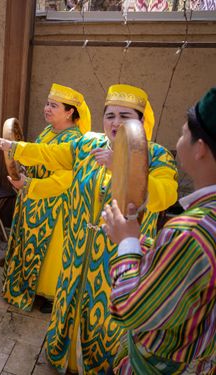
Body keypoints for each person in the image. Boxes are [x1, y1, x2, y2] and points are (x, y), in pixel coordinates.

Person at [0, 84, 178, 373]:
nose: (116, 123)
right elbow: (48, 154)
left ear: (141, 122)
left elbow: (167, 193)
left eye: (125, 116)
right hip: (76, 250)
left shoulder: (156, 156)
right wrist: (4, 144)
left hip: (117, 260)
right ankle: (65, 359)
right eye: (110, 115)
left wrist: (122, 166)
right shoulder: (88, 145)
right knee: (69, 302)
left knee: (107, 319)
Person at [103, 87, 216, 374]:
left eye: (182, 134)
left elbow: (131, 310)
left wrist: (127, 241)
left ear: (200, 148)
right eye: (110, 115)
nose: (115, 123)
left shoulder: (189, 232)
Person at [2, 84, 90, 313]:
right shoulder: (49, 131)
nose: (47, 109)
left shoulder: (74, 140)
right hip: (34, 199)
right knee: (29, 245)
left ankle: (50, 295)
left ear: (70, 112)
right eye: (47, 104)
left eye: (54, 105)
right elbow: (35, 155)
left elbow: (65, 179)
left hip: (55, 205)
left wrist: (30, 184)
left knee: (51, 252)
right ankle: (30, 288)